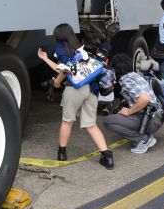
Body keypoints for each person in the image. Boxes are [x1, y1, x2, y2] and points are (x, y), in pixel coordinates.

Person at [37, 23, 114, 169]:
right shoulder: (79, 45)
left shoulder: (60, 47)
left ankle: (62, 154)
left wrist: (57, 83)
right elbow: (64, 67)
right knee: (91, 124)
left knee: (67, 121)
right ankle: (107, 157)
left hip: (75, 88)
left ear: (58, 35)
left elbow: (65, 70)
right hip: (91, 87)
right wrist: (46, 59)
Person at [103, 54, 163, 154]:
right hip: (156, 117)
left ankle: (142, 139)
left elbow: (145, 99)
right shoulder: (136, 76)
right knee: (121, 114)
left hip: (150, 120)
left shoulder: (126, 80)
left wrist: (128, 111)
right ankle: (147, 134)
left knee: (108, 121)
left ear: (115, 70)